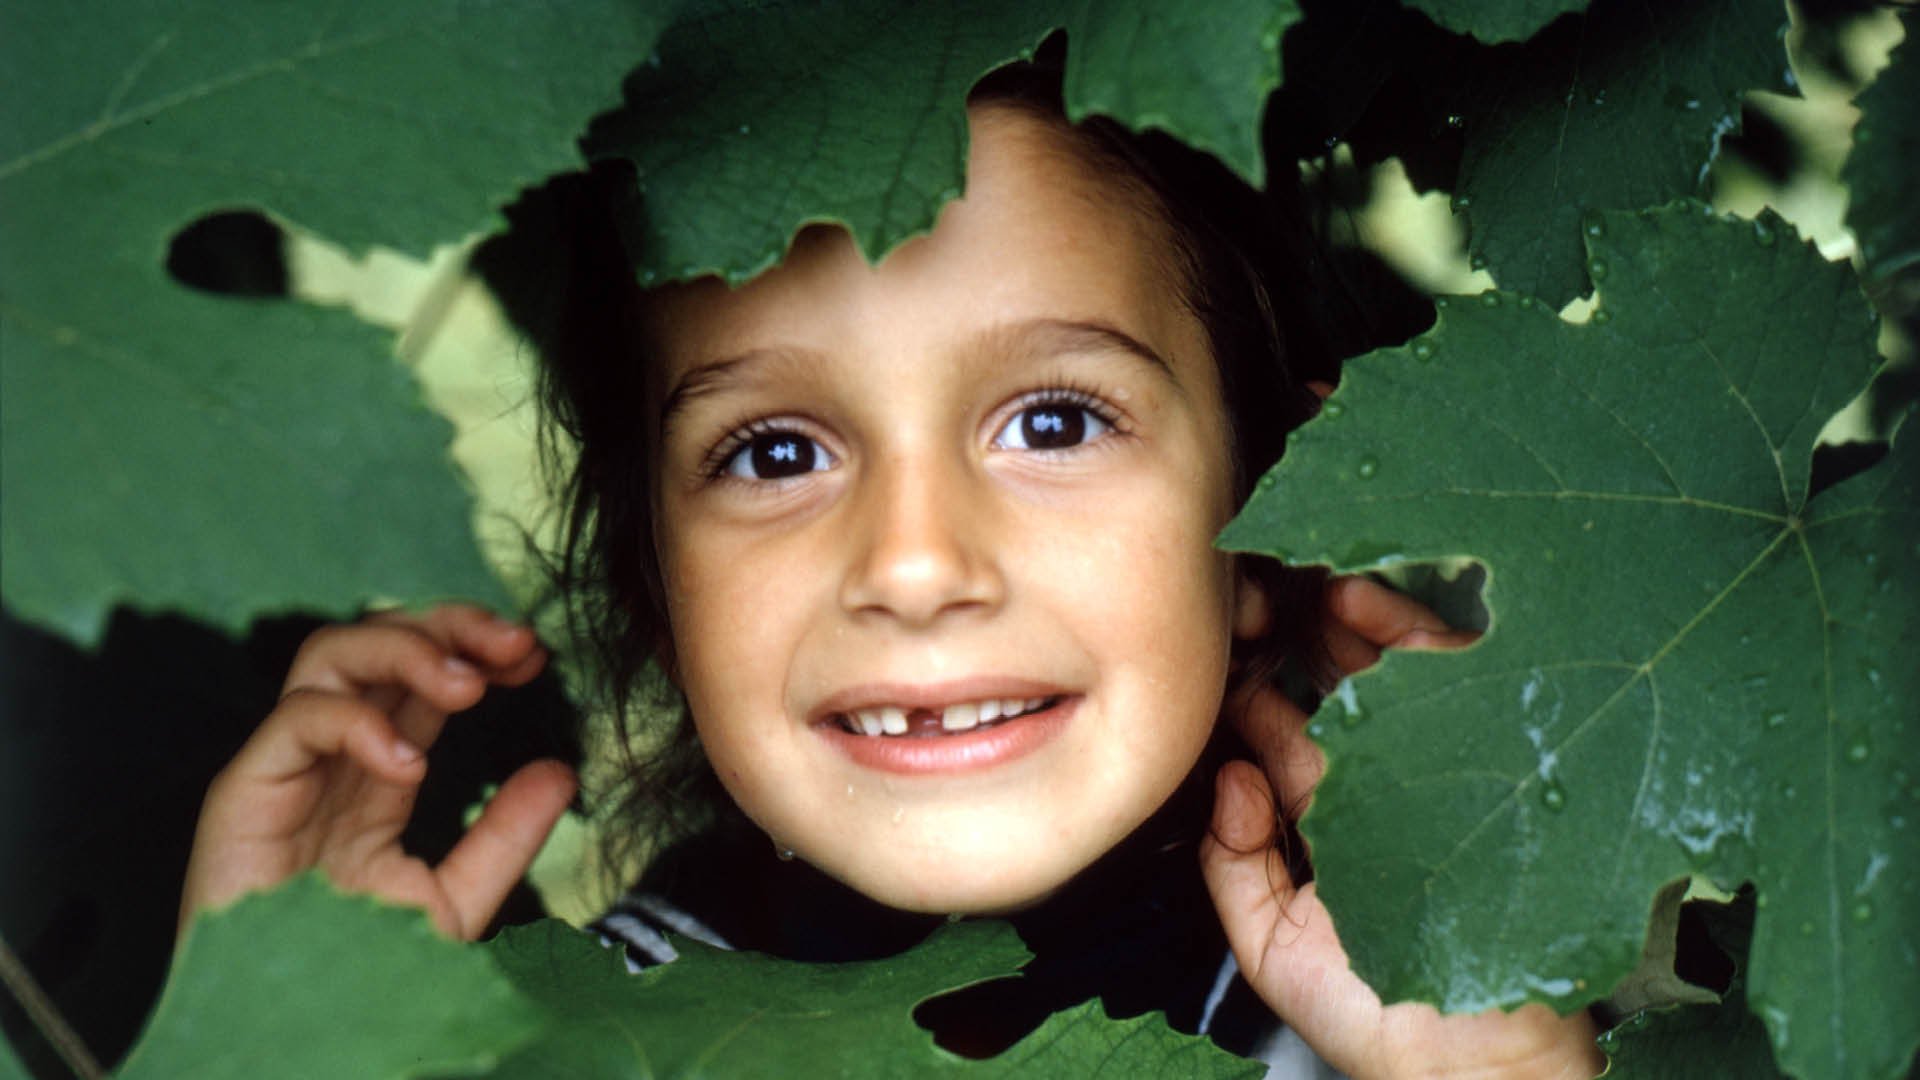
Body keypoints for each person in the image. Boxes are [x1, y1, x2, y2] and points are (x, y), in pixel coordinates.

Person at [178, 58, 1603, 1079]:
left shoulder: (1374, 1024)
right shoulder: (587, 1039)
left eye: (1054, 421)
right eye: (778, 454)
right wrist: (290, 1035)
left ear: (1283, 513)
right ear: (656, 588)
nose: (915, 566)